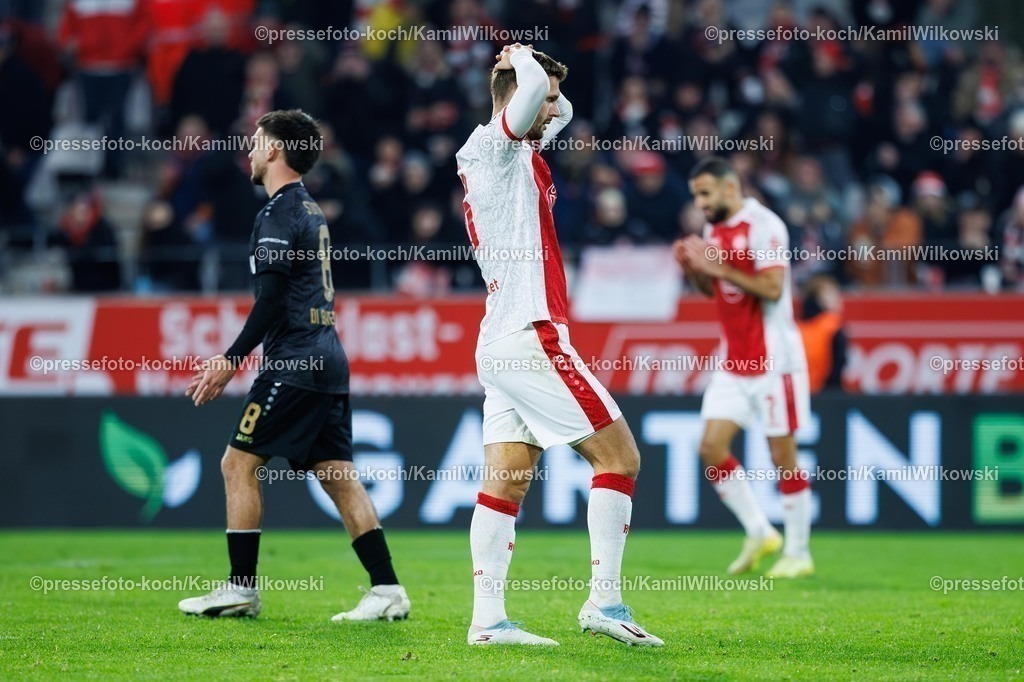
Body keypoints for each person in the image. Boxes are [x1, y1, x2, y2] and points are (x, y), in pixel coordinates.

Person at [455, 44, 663, 647]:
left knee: (506, 480)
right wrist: (520, 60)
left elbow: (563, 109)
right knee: (619, 458)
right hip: (530, 333)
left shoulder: (517, 153)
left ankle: (488, 622)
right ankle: (606, 603)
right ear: (512, 101)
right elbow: (529, 98)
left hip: (501, 338)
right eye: (541, 101)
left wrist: (541, 75)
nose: (552, 111)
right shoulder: (491, 148)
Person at [178, 110, 410, 622]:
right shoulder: (308, 208)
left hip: (295, 361)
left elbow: (270, 302)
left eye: (259, 140)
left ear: (277, 151)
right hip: (327, 356)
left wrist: (228, 360)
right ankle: (388, 588)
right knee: (339, 476)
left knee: (237, 463)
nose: (252, 147)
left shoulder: (279, 213)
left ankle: (240, 588)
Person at [672, 156, 814, 579]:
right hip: (734, 361)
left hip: (775, 360)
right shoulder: (715, 229)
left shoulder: (764, 225)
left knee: (782, 456)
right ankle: (759, 530)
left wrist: (717, 266)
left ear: (730, 188)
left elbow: (772, 288)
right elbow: (718, 289)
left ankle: (800, 552)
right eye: (696, 195)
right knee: (711, 449)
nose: (699, 203)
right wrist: (695, 270)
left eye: (705, 193)